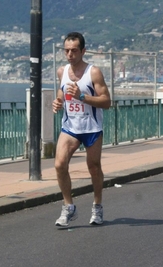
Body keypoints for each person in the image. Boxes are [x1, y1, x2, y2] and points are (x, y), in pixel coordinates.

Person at [52, 32, 111, 227]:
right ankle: (69, 207)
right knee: (60, 164)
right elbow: (62, 91)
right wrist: (58, 102)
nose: (70, 54)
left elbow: (106, 101)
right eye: (67, 50)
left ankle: (97, 206)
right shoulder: (62, 71)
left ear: (83, 51)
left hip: (91, 127)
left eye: (74, 50)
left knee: (94, 168)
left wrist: (82, 97)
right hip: (70, 127)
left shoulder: (93, 72)